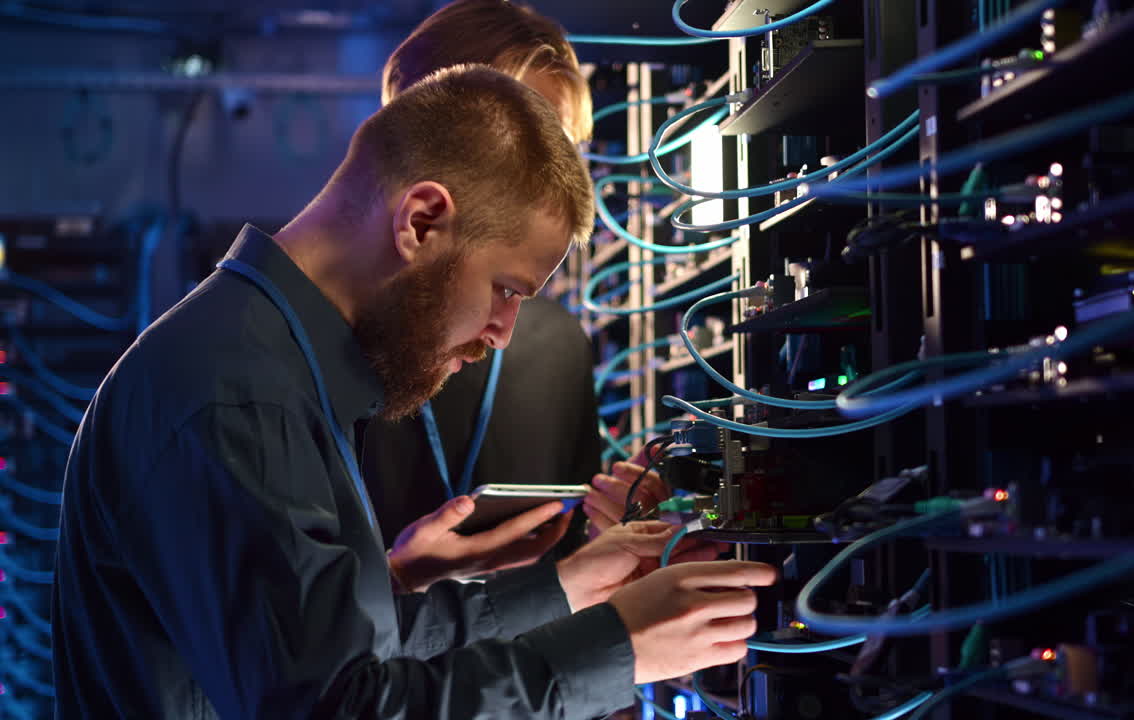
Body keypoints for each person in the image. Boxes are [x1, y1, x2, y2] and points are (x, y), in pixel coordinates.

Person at [51, 66, 776, 718]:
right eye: (506, 289)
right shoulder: (240, 396)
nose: (503, 333)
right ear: (421, 222)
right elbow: (341, 707)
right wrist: (621, 648)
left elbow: (339, 655)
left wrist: (569, 590)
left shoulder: (267, 361)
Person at [364, 0, 667, 582]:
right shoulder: (316, 340)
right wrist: (399, 583)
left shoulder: (555, 342)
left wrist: (612, 536)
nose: (549, 180)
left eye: (561, 150)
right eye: (525, 142)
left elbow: (565, 567)